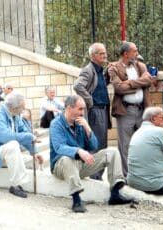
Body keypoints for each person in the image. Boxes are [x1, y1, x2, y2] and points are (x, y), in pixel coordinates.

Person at [50, 95, 133, 212]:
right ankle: (76, 200)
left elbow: (94, 146)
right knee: (67, 159)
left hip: (80, 165)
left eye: (83, 109)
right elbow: (59, 147)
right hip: (61, 167)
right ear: (69, 108)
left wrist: (88, 128)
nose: (83, 113)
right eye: (80, 109)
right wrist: (78, 151)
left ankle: (115, 194)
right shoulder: (56, 124)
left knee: (112, 152)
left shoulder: (80, 123)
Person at [0, 92, 43, 198]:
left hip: (0, 152)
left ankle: (20, 182)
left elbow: (23, 131)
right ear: (14, 107)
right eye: (22, 108)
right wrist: (29, 136)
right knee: (13, 145)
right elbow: (4, 137)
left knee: (26, 156)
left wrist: (34, 152)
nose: (23, 110)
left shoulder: (14, 114)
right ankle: (15, 185)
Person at [108, 41, 152, 176]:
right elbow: (119, 88)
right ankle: (127, 176)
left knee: (145, 142)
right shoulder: (113, 68)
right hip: (125, 111)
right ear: (126, 53)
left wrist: (130, 83)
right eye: (135, 51)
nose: (137, 53)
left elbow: (149, 80)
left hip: (142, 110)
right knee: (125, 146)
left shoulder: (140, 65)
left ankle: (144, 173)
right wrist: (139, 83)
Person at [73, 43, 111, 180]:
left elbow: (99, 86)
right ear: (93, 56)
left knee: (102, 143)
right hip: (96, 111)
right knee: (96, 144)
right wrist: (90, 100)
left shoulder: (100, 70)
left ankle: (97, 175)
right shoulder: (88, 70)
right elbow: (77, 86)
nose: (105, 55)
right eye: (101, 53)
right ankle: (94, 176)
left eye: (105, 53)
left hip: (103, 111)